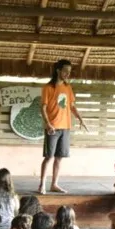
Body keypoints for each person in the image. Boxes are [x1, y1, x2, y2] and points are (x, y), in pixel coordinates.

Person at [38, 59, 87, 195]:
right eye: (65, 71)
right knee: (49, 157)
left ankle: (54, 184)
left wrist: (80, 119)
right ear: (58, 71)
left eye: (69, 72)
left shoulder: (68, 87)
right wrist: (48, 124)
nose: (67, 74)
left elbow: (71, 106)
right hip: (52, 127)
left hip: (65, 127)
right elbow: (43, 107)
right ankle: (42, 184)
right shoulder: (48, 88)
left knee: (59, 157)